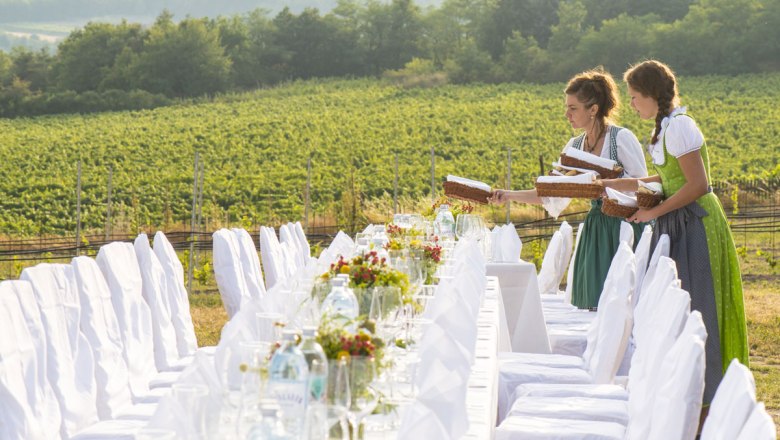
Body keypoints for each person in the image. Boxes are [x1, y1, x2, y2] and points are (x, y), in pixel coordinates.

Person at [602, 60, 749, 409]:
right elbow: (667, 180)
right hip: (677, 222)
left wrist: (653, 212)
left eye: (636, 97)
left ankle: (710, 394)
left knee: (700, 305)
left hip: (697, 223)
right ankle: (686, 390)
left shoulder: (680, 127)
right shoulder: (664, 127)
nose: (632, 103)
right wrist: (613, 183)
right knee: (679, 306)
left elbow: (698, 185)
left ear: (653, 95)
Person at [490, 68, 648, 309]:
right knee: (592, 304)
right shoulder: (574, 147)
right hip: (596, 230)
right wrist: (508, 195)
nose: (567, 114)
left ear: (593, 109)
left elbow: (643, 187)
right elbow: (550, 194)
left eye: (573, 108)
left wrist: (605, 185)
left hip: (624, 229)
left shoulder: (621, 139)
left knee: (622, 306)